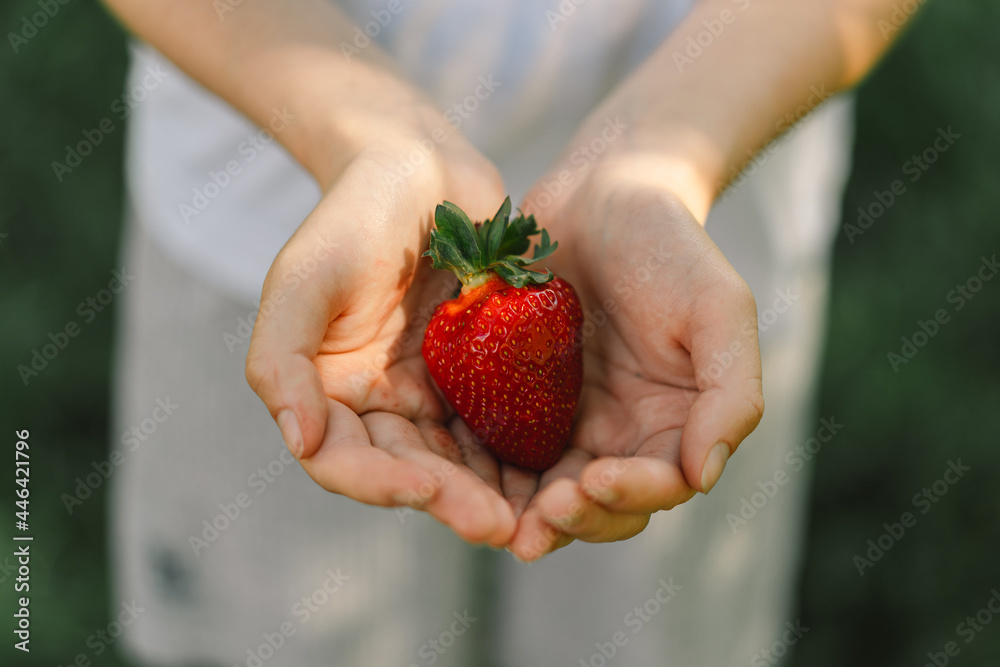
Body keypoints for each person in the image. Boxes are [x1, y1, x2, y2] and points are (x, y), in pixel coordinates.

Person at [103, 0, 912, 664]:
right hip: (287, 222)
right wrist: (366, 135)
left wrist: (662, 156)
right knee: (277, 638)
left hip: (696, 227)